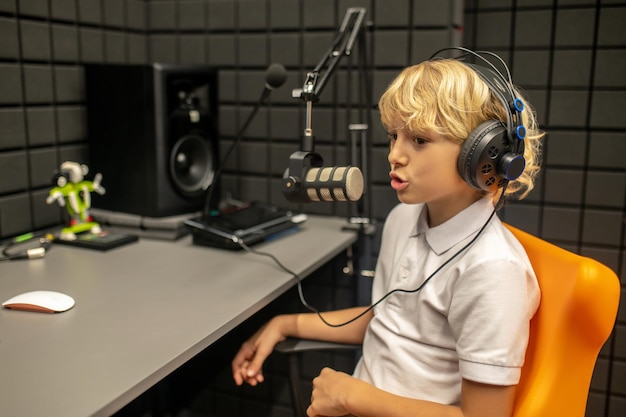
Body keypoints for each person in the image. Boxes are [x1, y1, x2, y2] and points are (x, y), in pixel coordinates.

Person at [232, 50, 544, 417]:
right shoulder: (403, 218)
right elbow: (388, 320)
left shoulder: (492, 270)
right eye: (394, 136)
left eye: (419, 140)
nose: (395, 154)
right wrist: (285, 323)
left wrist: (353, 397)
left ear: (484, 156)